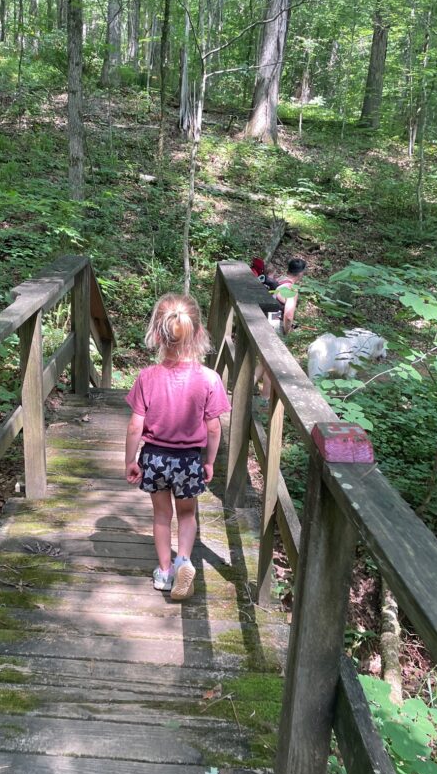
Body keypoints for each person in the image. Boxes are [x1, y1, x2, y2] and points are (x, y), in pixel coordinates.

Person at [124, 294, 231, 600]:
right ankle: (184, 559)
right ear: (199, 333)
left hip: (155, 458)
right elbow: (213, 428)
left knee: (161, 516)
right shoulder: (209, 379)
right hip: (188, 460)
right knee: (187, 514)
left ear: (157, 334)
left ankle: (164, 572)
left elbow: (135, 426)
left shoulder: (147, 377)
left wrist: (131, 460)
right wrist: (209, 462)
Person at [255, 257, 306, 400]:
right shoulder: (291, 289)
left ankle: (253, 391)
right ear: (301, 273)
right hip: (276, 326)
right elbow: (288, 315)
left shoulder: (280, 281)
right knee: (273, 362)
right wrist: (287, 329)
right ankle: (264, 398)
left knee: (266, 361)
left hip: (267, 321)